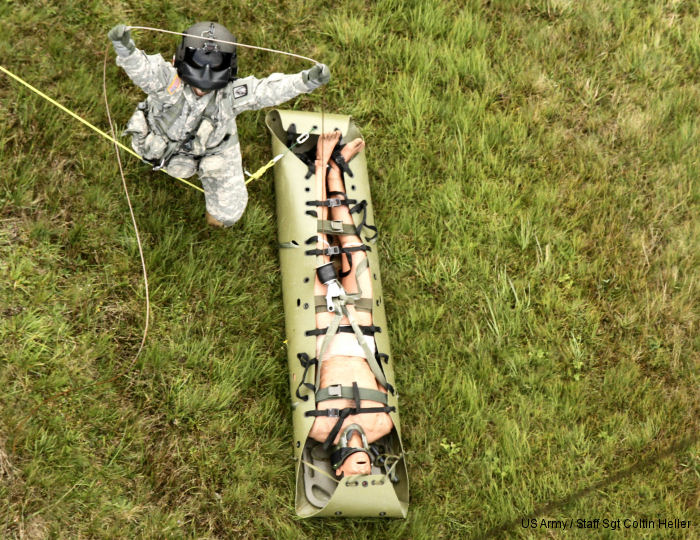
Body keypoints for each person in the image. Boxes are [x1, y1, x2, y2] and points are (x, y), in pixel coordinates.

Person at [108, 22, 330, 227]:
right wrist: (125, 48)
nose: (202, 88)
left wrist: (305, 81)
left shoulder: (231, 95)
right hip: (158, 138)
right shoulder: (167, 81)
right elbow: (144, 70)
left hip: (211, 148)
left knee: (228, 213)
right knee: (145, 148)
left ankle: (214, 221)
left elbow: (266, 91)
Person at [306, 132, 394, 478]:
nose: (365, 469)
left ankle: (318, 164)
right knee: (355, 255)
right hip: (360, 338)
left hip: (322, 337)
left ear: (339, 472)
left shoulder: (317, 430)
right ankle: (334, 174)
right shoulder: (382, 424)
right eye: (371, 472)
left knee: (318, 248)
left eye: (357, 476)